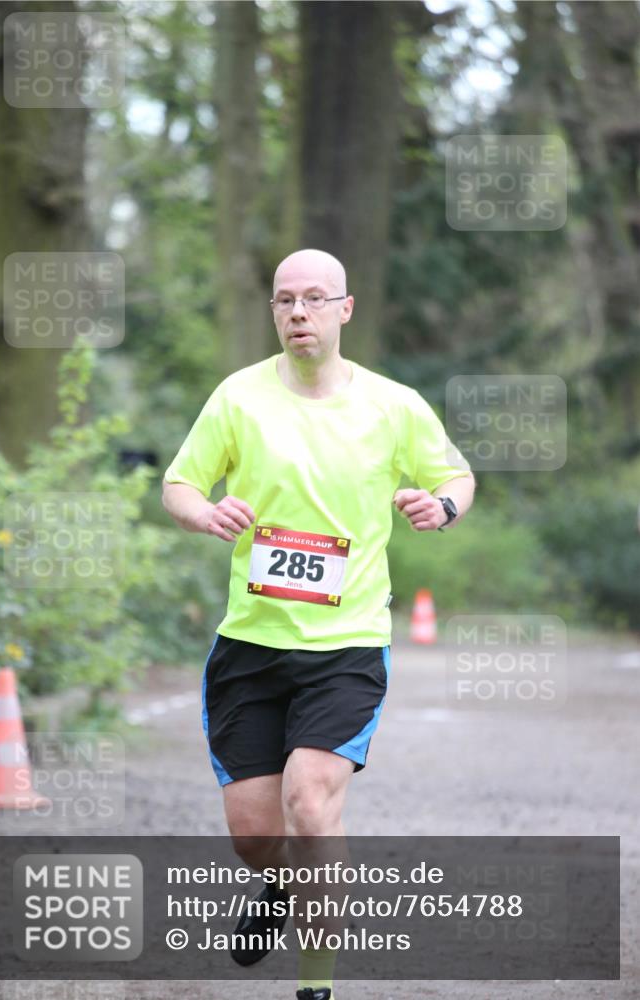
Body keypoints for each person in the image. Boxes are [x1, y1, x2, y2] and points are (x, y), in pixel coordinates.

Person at [162, 248, 475, 1000]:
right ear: (273, 312)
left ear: (345, 308)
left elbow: (454, 475)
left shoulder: (393, 405)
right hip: (250, 644)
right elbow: (178, 483)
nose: (297, 312)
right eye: (283, 301)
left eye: (312, 298)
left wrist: (444, 507)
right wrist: (205, 512)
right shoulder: (238, 398)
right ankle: (273, 884)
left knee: (311, 800)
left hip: (347, 646)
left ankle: (315, 984)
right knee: (255, 834)